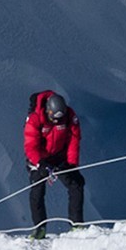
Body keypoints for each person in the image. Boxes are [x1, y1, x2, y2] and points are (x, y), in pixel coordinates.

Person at [23, 90, 85, 239]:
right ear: (48, 110)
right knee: (37, 191)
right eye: (53, 117)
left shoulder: (70, 116)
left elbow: (74, 140)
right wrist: (41, 163)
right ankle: (40, 228)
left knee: (77, 184)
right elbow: (31, 146)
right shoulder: (35, 119)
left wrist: (71, 163)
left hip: (60, 157)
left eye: (60, 118)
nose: (57, 121)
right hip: (41, 159)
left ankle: (77, 225)